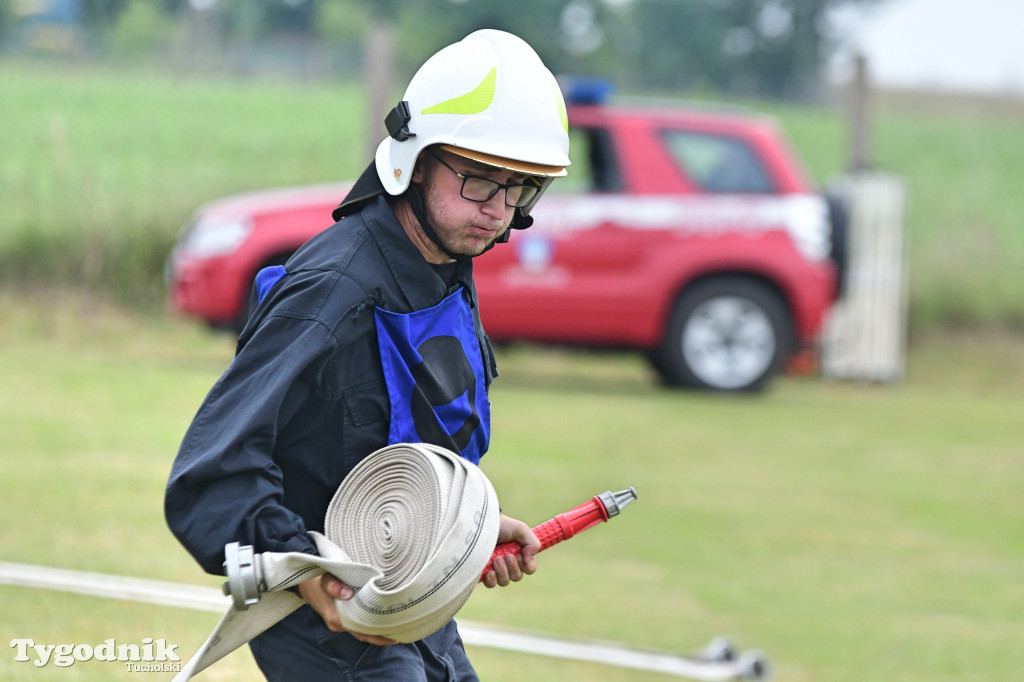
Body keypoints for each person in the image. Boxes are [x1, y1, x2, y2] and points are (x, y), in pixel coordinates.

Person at [164, 29, 570, 681]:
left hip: (410, 603)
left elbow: (390, 449)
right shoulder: (334, 287)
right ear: (415, 161)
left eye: (519, 188)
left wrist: (467, 530)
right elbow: (211, 471)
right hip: (326, 619)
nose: (497, 211)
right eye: (478, 181)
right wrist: (303, 569)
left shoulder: (442, 261)